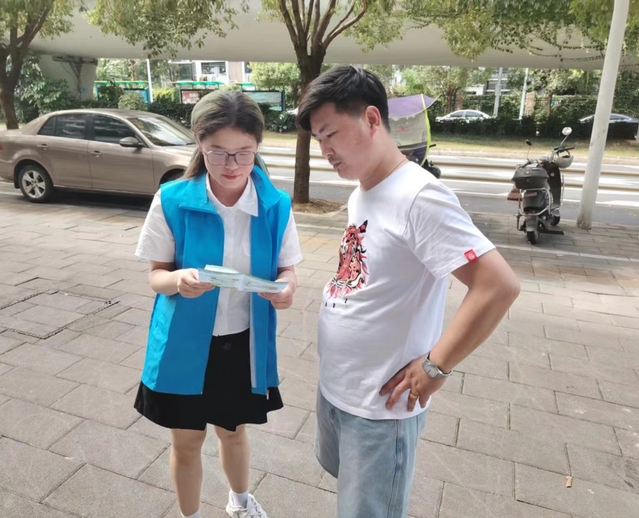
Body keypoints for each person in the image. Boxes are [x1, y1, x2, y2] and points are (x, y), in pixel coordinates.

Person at [296, 65, 521, 517]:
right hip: (342, 389)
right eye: (319, 140)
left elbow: (497, 285)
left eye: (331, 134)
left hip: (380, 409)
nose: (325, 151)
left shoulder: (419, 196)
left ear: (372, 119)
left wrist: (437, 366)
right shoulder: (363, 191)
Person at [134, 90, 302, 518]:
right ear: (199, 143)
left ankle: (239, 503)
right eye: (218, 153)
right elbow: (156, 275)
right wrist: (178, 280)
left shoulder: (275, 205)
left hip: (240, 343)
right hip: (183, 344)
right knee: (187, 442)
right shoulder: (172, 200)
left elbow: (287, 269)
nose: (232, 165)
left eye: (244, 153)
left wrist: (286, 289)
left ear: (258, 145)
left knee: (233, 432)